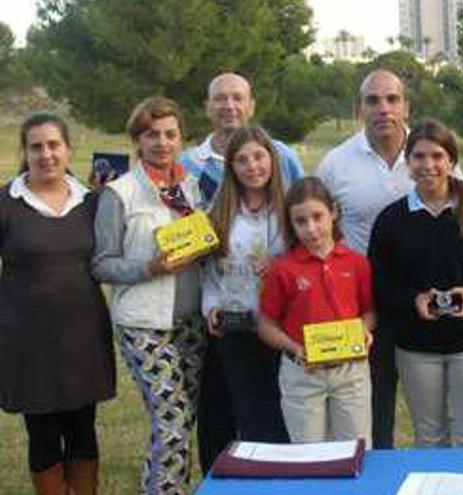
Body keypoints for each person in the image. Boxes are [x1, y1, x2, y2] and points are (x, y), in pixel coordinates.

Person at [317, 68, 463, 449]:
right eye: (373, 100)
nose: (383, 108)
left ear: (406, 105)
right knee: (380, 414)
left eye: (392, 99)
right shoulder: (338, 166)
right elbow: (322, 231)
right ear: (359, 108)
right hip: (376, 313)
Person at [369, 120, 463, 448]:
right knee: (430, 439)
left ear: (451, 161)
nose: (428, 165)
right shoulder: (392, 219)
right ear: (408, 162)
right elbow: (380, 281)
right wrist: (412, 300)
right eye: (419, 156)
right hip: (417, 348)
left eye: (437, 155)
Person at [92, 97, 205, 494]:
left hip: (191, 321)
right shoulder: (118, 193)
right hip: (143, 322)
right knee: (171, 421)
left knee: (180, 421)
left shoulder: (191, 187)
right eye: (151, 135)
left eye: (170, 134)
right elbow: (102, 264)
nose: (162, 142)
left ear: (181, 138)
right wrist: (149, 267)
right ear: (137, 141)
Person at [0, 113, 115, 495]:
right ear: (25, 151)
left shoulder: (93, 202)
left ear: (68, 149)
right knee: (43, 433)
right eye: (37, 146)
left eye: (54, 145)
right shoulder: (6, 202)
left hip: (82, 335)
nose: (46, 154)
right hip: (27, 339)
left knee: (83, 428)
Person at [197, 126, 291, 473]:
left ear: (272, 159)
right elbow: (209, 273)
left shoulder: (289, 211)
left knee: (274, 420)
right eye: (241, 160)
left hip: (279, 329)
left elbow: (309, 262)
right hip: (234, 329)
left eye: (258, 156)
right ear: (231, 167)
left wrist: (280, 267)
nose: (252, 166)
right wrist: (210, 308)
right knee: (235, 417)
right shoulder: (218, 214)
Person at [258, 177, 376, 447]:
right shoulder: (283, 269)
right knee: (308, 455)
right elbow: (266, 325)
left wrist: (362, 329)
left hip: (350, 372)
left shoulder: (357, 263)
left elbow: (370, 312)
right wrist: (295, 348)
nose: (311, 229)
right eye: (301, 221)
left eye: (318, 217)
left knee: (355, 450)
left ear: (333, 212)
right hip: (303, 373)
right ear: (291, 224)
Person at [181, 72, 304, 206]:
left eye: (238, 98)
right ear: (208, 108)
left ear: (251, 107)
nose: (229, 106)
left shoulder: (282, 156)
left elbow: (304, 206)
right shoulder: (187, 164)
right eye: (220, 98)